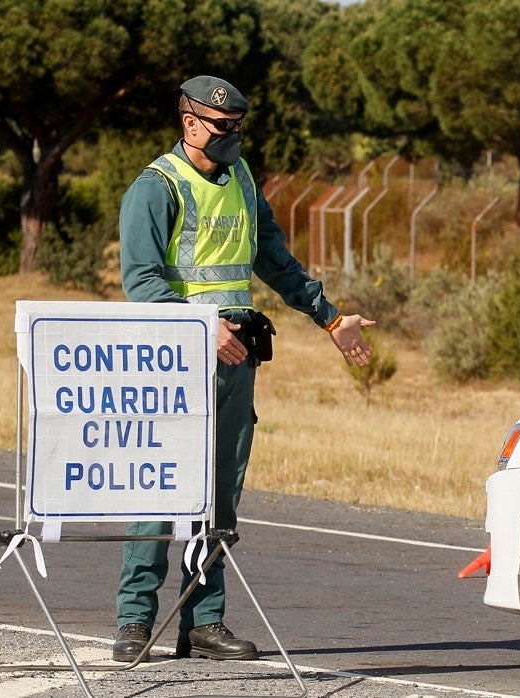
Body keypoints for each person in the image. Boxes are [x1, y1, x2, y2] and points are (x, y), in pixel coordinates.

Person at [113, 75, 375, 663]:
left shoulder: (243, 179)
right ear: (189, 124)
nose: (232, 135)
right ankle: (134, 621)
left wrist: (331, 318)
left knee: (219, 494)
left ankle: (203, 622)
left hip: (235, 362)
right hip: (174, 362)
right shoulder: (156, 187)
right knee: (160, 491)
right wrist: (202, 328)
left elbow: (275, 259)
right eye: (222, 126)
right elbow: (142, 283)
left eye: (238, 126)